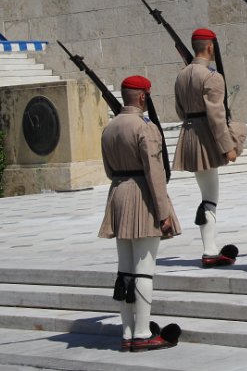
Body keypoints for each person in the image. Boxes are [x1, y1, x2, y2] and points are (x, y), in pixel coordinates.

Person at [173, 28, 247, 268]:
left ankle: (209, 249)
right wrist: (227, 147)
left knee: (208, 198)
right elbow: (216, 116)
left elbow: (180, 111)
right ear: (210, 47)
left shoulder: (181, 76)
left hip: (190, 134)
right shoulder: (212, 77)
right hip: (209, 134)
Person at [98, 75, 182, 352]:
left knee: (125, 270)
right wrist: (163, 211)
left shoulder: (109, 128)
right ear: (143, 97)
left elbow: (109, 171)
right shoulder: (145, 128)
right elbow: (154, 173)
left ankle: (127, 332)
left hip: (118, 193)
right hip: (143, 195)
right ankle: (143, 332)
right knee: (144, 271)